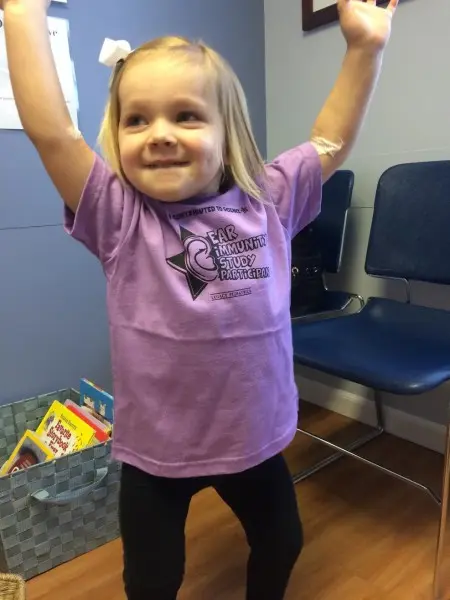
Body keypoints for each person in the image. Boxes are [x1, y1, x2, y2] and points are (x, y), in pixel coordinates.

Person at [1, 0, 398, 598]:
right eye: (137, 121)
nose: (159, 134)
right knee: (153, 580)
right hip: (157, 457)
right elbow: (52, 131)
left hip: (252, 440)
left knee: (282, 541)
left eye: (186, 115)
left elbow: (329, 141)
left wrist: (366, 47)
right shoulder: (121, 217)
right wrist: (22, 15)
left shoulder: (269, 200)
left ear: (226, 130)